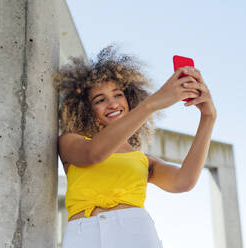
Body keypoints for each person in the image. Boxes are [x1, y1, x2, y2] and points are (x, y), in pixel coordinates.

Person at [53, 45, 216, 248]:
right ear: (85, 109)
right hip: (83, 235)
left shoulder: (143, 160)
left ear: (130, 99)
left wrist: (208, 117)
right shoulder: (71, 141)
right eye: (100, 100)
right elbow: (94, 154)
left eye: (118, 95)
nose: (113, 104)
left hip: (136, 233)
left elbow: (184, 181)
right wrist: (151, 104)